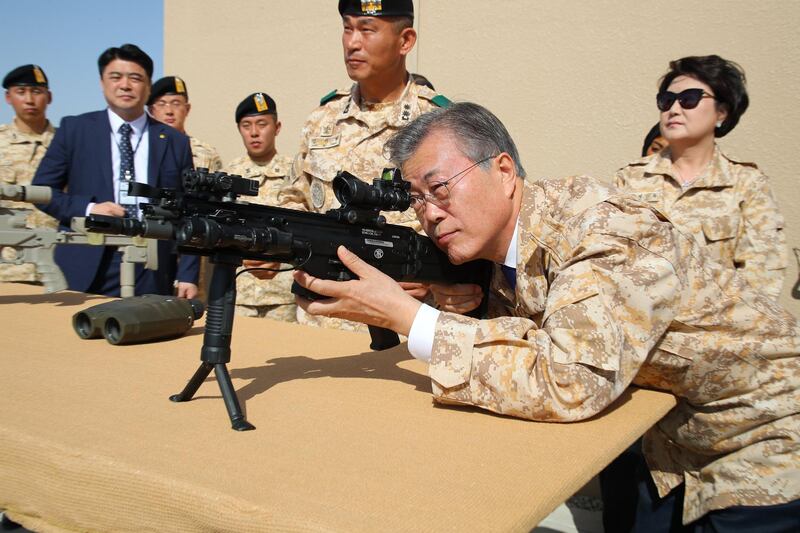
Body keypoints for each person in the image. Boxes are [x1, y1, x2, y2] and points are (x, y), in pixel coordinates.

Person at [293, 102, 800, 531]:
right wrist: (435, 302)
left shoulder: (606, 231)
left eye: (440, 188)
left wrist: (408, 318)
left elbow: (566, 379)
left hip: (760, 442)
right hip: (662, 441)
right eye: (417, 200)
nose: (428, 213)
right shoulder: (486, 255)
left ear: (505, 172)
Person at [277, 0, 450, 330]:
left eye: (367, 30)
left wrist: (435, 276)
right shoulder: (322, 119)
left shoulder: (437, 122)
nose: (352, 42)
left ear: (406, 41)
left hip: (399, 330)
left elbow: (460, 220)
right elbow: (293, 198)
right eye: (347, 28)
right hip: (320, 322)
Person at [615, 55, 787, 301]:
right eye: (666, 101)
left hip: (720, 331)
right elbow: (613, 262)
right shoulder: (630, 179)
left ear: (722, 113)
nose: (674, 109)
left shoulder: (747, 184)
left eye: (689, 99)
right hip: (642, 326)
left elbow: (761, 283)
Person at [32, 44, 199, 297]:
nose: (125, 85)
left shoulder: (174, 141)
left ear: (148, 86)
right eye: (115, 77)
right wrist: (88, 209)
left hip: (150, 264)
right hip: (86, 260)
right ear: (102, 82)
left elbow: (190, 208)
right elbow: (42, 191)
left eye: (135, 78)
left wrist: (187, 273)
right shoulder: (75, 129)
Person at [227, 92, 296, 321]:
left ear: (277, 127)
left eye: (262, 124)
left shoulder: (295, 173)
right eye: (246, 125)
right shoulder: (228, 176)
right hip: (238, 292)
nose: (254, 132)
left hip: (283, 295)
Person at [0, 64, 59, 283]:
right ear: (8, 97)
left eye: (36, 92)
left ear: (49, 97)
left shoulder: (65, 144)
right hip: (8, 269)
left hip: (58, 265)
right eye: (21, 91)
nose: (29, 100)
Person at [147, 75, 223, 171]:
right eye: (161, 104)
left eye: (176, 104)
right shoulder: (144, 147)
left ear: (187, 109)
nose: (169, 111)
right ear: (151, 110)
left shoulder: (207, 153)